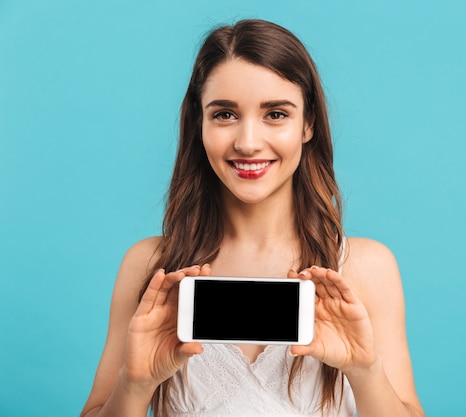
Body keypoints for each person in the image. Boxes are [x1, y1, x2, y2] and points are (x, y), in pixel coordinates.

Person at [80, 18, 425, 417]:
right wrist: (134, 385)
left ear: (308, 123)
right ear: (200, 123)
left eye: (275, 114)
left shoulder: (365, 267)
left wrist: (365, 373)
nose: (247, 143)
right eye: (224, 114)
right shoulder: (152, 267)